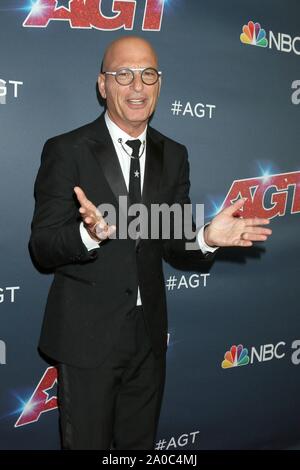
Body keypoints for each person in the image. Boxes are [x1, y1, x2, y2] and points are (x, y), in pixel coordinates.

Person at [29, 36, 272, 450]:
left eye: (148, 74)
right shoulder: (66, 150)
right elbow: (43, 247)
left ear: (160, 83)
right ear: (103, 85)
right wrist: (89, 233)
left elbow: (175, 243)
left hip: (149, 336)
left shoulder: (173, 154)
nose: (137, 86)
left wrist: (206, 237)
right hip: (88, 338)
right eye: (123, 74)